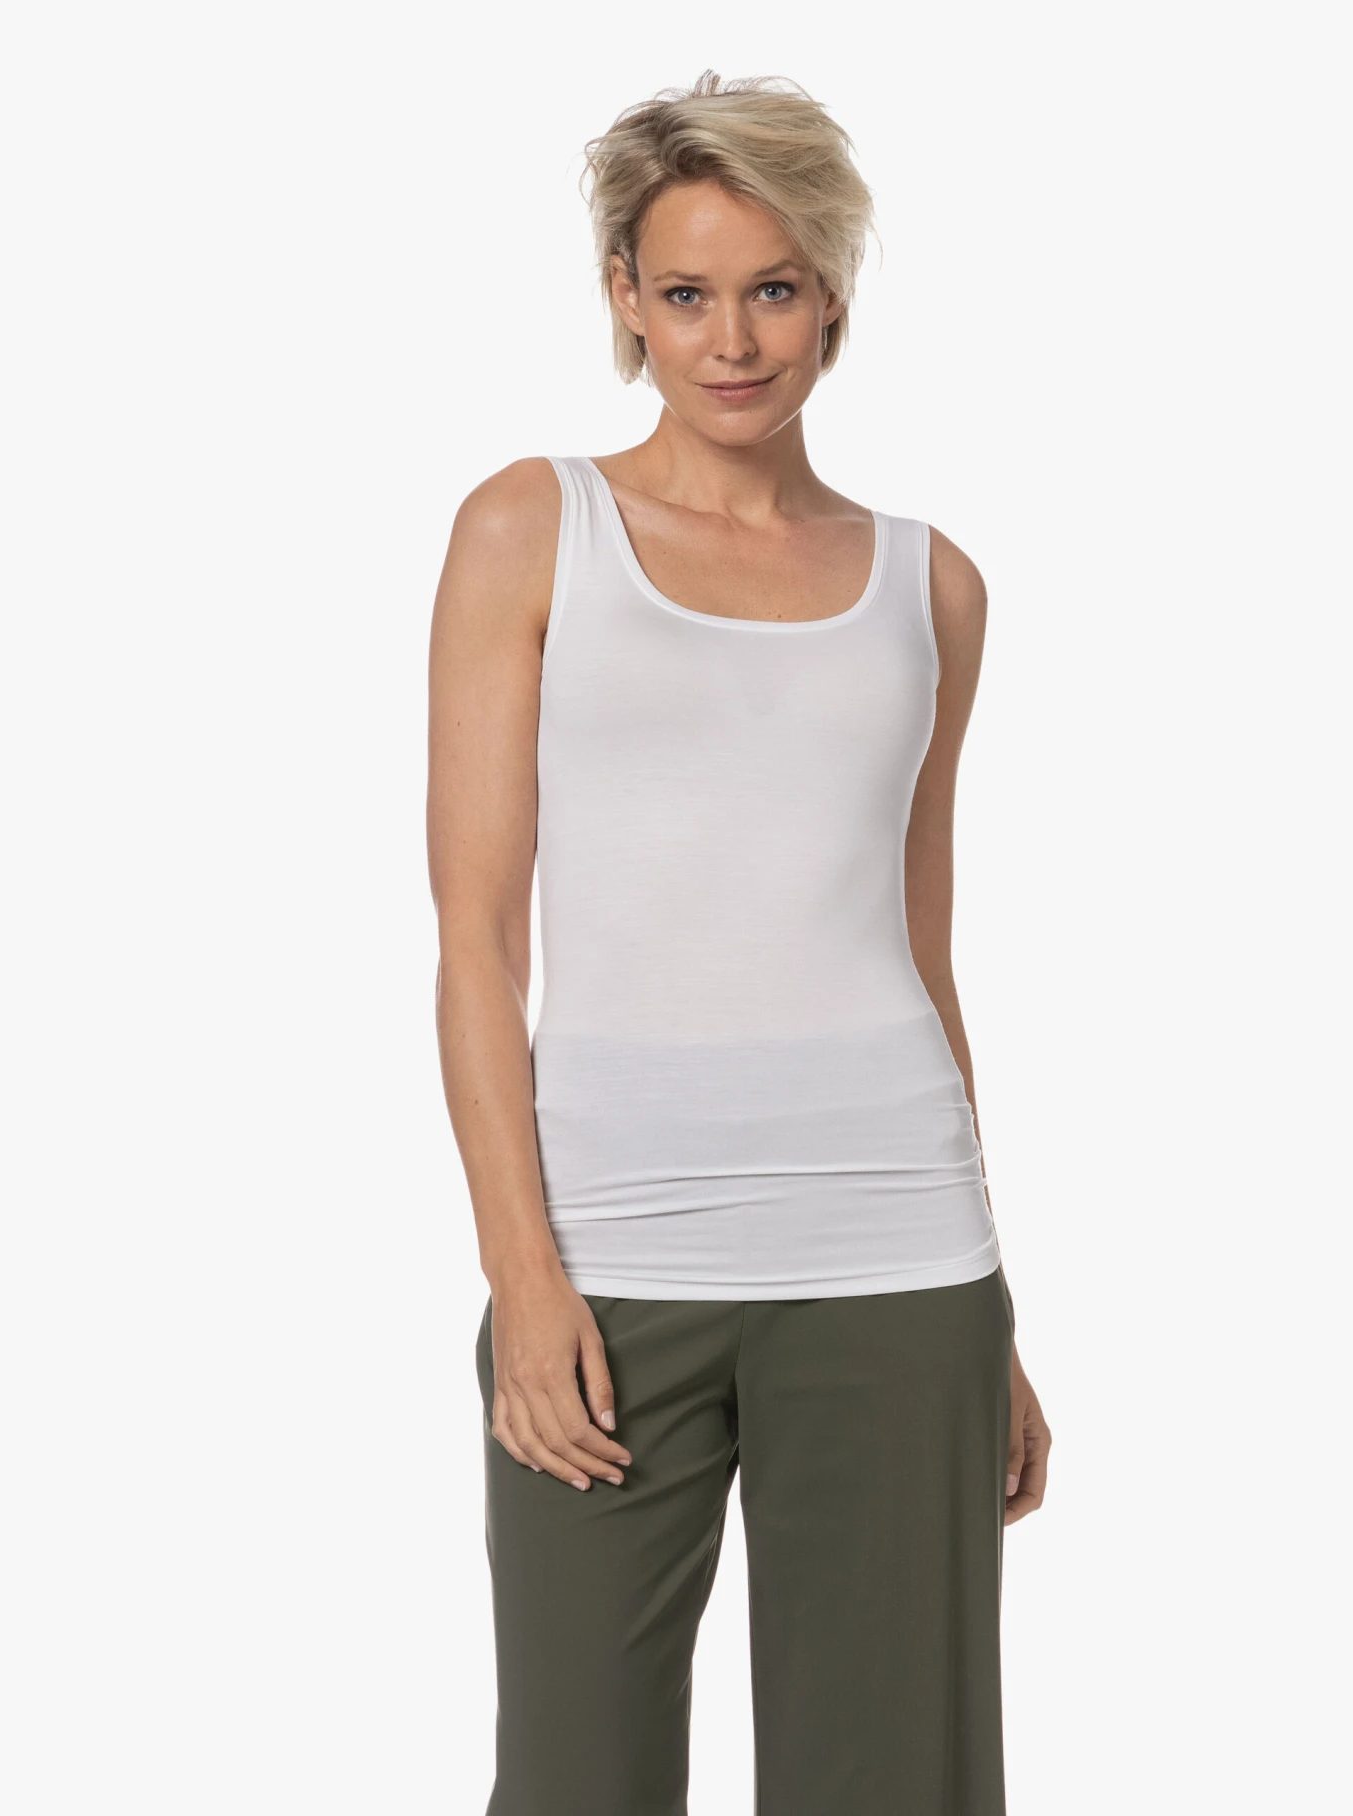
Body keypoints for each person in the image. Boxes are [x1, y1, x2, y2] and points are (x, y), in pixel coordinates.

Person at [427, 70, 1051, 1816]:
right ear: (624, 298)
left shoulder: (931, 586)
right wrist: (523, 1275)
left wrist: (991, 1306)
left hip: (900, 1262)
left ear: (831, 294)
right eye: (687, 292)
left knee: (898, 1783)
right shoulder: (530, 526)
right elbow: (475, 939)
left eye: (773, 288)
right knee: (578, 1777)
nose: (732, 340)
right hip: (611, 1259)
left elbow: (919, 949)